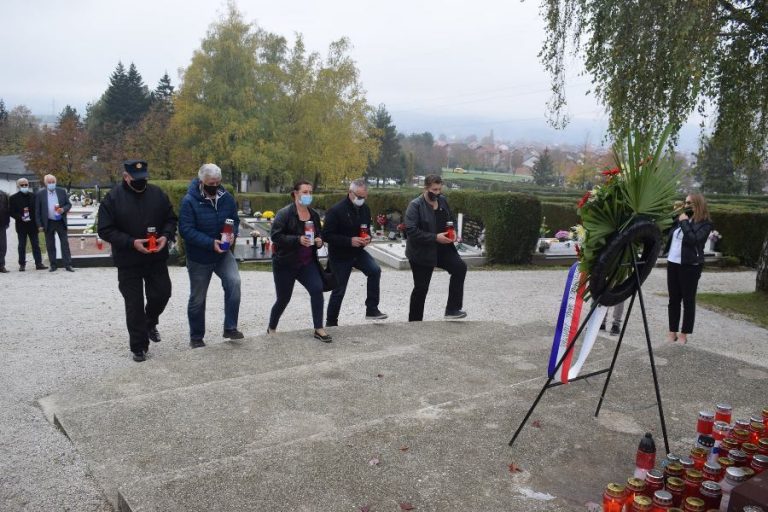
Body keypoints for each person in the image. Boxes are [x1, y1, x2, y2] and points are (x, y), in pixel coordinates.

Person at [97, 160, 178, 362]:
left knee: (162, 293)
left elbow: (170, 219)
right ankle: (139, 346)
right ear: (126, 177)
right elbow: (105, 230)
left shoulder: (157, 194)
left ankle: (150, 322)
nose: (142, 182)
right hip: (128, 260)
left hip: (155, 257)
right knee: (134, 304)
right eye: (137, 178)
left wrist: (166, 236)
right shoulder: (113, 198)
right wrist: (132, 242)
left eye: (145, 178)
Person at [179, 163, 243, 348]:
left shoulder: (227, 198)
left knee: (234, 282)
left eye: (217, 182)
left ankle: (230, 327)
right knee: (198, 297)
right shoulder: (189, 201)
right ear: (202, 181)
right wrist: (209, 243)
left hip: (222, 254)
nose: (214, 186)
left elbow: (235, 220)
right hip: (199, 257)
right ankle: (196, 337)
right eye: (210, 183)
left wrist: (233, 235)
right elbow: (186, 230)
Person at [268, 180, 332, 342]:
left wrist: (319, 241)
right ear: (295, 194)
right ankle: (271, 327)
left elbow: (320, 234)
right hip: (285, 263)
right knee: (283, 298)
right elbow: (276, 236)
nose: (308, 195)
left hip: (307, 263)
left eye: (310, 192)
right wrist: (298, 240)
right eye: (305, 192)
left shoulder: (314, 215)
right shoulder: (285, 214)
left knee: (317, 289)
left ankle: (319, 328)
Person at [322, 178, 387, 326]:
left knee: (375, 270)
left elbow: (365, 229)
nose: (361, 199)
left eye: (364, 197)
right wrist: (349, 241)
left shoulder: (365, 209)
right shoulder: (335, 210)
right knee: (339, 289)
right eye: (359, 197)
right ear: (350, 193)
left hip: (357, 252)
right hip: (339, 255)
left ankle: (372, 309)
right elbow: (326, 235)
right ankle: (331, 322)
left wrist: (367, 238)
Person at [405, 174, 467, 321]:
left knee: (460, 267)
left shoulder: (443, 200)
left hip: (443, 248)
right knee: (421, 288)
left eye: (440, 189)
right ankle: (414, 322)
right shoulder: (415, 205)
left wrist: (454, 232)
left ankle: (452, 309)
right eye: (434, 189)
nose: (437, 192)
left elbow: (450, 219)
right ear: (426, 188)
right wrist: (435, 237)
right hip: (422, 252)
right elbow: (411, 231)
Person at [665, 193, 713, 344]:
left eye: (689, 203)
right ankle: (672, 332)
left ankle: (684, 334)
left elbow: (694, 240)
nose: (686, 205)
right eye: (685, 202)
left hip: (690, 265)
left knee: (688, 300)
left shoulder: (705, 224)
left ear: (698, 204)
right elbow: (668, 233)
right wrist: (675, 217)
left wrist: (685, 223)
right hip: (672, 262)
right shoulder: (680, 218)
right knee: (673, 300)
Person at [34, 174, 73, 272]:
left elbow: (68, 204)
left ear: (55, 182)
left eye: (53, 182)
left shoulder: (61, 191)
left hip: (60, 221)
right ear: (46, 183)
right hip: (48, 222)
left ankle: (68, 265)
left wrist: (63, 209)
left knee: (64, 244)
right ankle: (53, 265)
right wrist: (39, 225)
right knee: (50, 245)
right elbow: (37, 211)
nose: (51, 184)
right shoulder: (40, 194)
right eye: (49, 182)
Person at [9, 178, 47, 271]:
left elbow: (37, 210)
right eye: (22, 185)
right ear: (18, 186)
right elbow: (11, 212)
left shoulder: (34, 196)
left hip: (32, 225)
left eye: (26, 185)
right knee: (22, 245)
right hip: (21, 225)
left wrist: (37, 222)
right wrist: (20, 217)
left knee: (35, 244)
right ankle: (22, 264)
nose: (24, 186)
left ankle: (38, 263)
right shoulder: (13, 198)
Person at [0, 188, 9, 273]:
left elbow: (6, 209)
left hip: (1, 224)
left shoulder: (3, 194)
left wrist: (7, 222)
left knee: (2, 246)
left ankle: (1, 265)